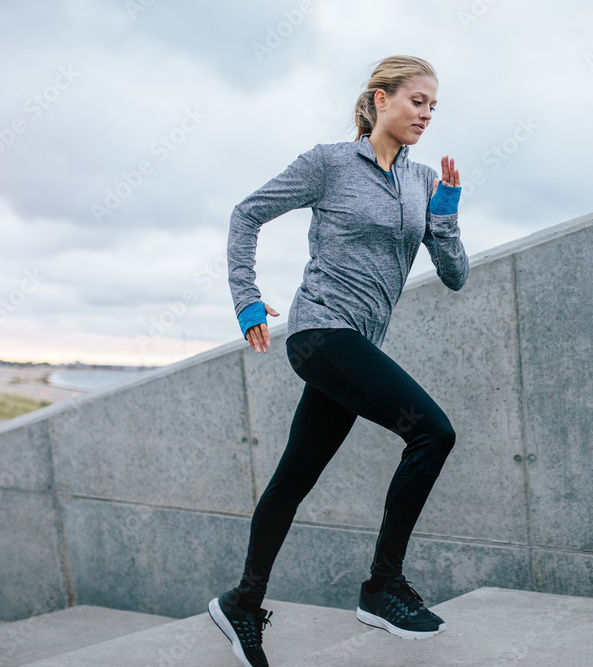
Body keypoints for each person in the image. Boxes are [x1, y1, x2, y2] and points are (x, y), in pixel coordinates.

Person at [207, 55, 469, 667]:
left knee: (294, 477)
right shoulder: (328, 164)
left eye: (434, 106)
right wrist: (246, 299)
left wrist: (449, 215)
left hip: (357, 349)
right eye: (417, 101)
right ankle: (382, 588)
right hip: (321, 334)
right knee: (433, 432)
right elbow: (246, 213)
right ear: (380, 100)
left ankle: (243, 602)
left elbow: (455, 276)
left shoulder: (425, 180)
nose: (426, 115)